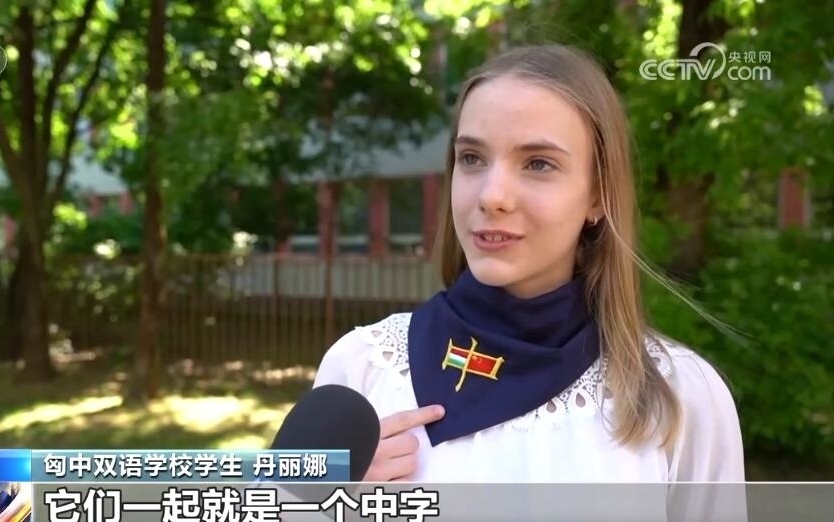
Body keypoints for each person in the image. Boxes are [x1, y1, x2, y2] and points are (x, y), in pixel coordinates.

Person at [312, 44, 745, 486]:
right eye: (472, 158)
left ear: (598, 195)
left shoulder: (680, 398)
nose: (491, 196)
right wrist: (329, 503)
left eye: (538, 164)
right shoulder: (361, 367)